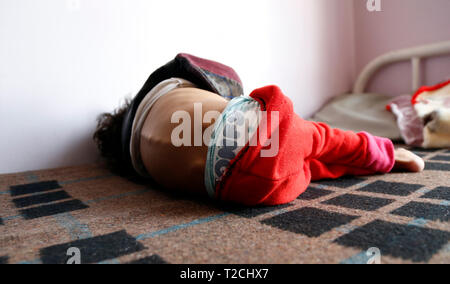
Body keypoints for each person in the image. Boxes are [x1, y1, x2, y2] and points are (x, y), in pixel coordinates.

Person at [94, 54, 424, 206]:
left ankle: (342, 164)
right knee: (321, 138)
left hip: (241, 188)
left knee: (306, 163)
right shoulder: (171, 81)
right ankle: (384, 152)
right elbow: (227, 79)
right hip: (251, 136)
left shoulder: (135, 164)